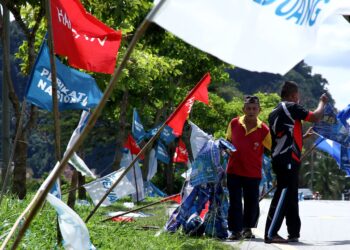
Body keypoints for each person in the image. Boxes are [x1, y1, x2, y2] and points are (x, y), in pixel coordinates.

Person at [264, 81, 328, 244]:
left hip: (282, 157)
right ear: (293, 96)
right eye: (297, 96)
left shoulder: (274, 111)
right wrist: (322, 103)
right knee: (283, 195)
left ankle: (293, 232)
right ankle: (270, 232)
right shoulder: (291, 106)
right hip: (287, 158)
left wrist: (303, 137)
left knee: (291, 195)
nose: (298, 100)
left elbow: (284, 135)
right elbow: (315, 116)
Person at [226, 95, 271, 240]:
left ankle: (247, 229)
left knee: (252, 203)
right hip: (233, 170)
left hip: (253, 172)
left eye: (254, 108)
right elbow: (228, 141)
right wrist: (225, 150)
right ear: (243, 109)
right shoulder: (233, 123)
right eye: (248, 108)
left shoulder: (264, 129)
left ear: (259, 110)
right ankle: (235, 231)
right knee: (234, 202)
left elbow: (273, 148)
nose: (251, 111)